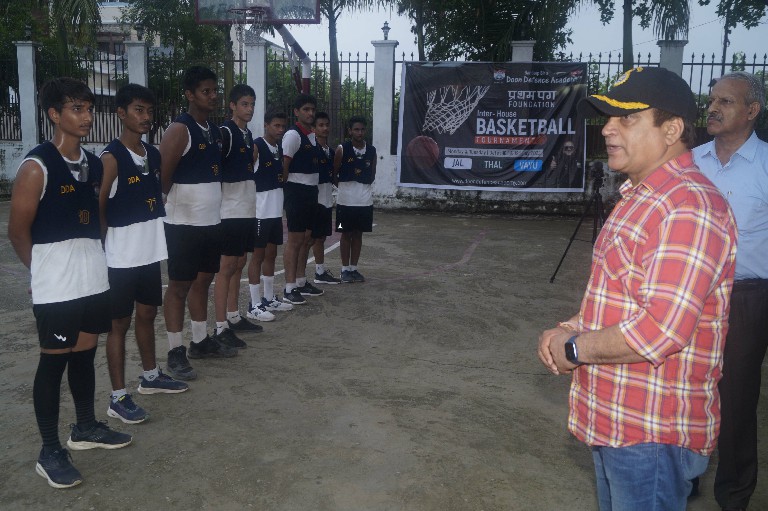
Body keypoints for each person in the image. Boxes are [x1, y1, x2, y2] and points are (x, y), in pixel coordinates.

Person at [536, 66, 737, 510]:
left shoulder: (688, 206)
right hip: (620, 421)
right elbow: (621, 296)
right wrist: (568, 328)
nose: (608, 128)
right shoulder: (643, 197)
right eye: (609, 117)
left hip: (651, 432)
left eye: (627, 118)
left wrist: (574, 348)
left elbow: (661, 330)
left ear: (672, 130)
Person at [8, 77, 132, 489]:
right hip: (57, 284)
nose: (86, 116)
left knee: (84, 355)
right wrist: (41, 272)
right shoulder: (36, 167)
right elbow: (17, 232)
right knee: (53, 362)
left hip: (92, 278)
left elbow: (97, 219)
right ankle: (49, 450)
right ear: (54, 114)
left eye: (89, 108)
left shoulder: (95, 165)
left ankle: (85, 427)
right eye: (76, 109)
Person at [692, 71, 768, 511]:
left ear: (752, 111)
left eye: (726, 101)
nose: (713, 108)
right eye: (712, 100)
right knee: (682, 386)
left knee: (736, 396)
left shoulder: (766, 165)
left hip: (745, 299)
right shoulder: (690, 163)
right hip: (688, 295)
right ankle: (683, 476)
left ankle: (735, 495)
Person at [99, 84, 188, 425]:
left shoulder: (153, 154)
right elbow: (99, 209)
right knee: (118, 324)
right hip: (120, 257)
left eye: (149, 111)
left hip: (149, 252)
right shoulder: (111, 158)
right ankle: (118, 396)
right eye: (139, 110)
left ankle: (150, 376)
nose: (146, 116)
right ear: (121, 113)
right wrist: (100, 252)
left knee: (148, 313)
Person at [161, 66, 237, 382]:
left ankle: (200, 341)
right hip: (183, 223)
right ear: (190, 95)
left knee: (203, 281)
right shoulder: (180, 130)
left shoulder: (214, 132)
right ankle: (175, 350)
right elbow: (163, 179)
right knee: (179, 286)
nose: (213, 96)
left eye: (214, 90)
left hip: (210, 222)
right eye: (206, 91)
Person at [213, 84, 264, 341]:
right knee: (226, 266)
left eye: (252, 104)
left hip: (246, 209)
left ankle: (233, 316)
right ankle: (220, 326)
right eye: (244, 104)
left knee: (240, 262)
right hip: (229, 210)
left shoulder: (247, 135)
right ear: (232, 105)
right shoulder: (225, 133)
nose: (250, 109)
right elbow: (215, 168)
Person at [247, 110, 294, 317]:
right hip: (260, 211)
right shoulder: (257, 146)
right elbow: (247, 176)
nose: (280, 130)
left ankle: (268, 298)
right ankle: (254, 304)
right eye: (276, 125)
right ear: (266, 125)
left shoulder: (279, 148)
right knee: (257, 256)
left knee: (271, 254)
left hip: (275, 211)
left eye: (283, 126)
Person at [281, 93, 325, 303]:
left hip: (310, 191)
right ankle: (289, 288)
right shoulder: (293, 135)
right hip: (296, 191)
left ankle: (300, 281)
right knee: (295, 240)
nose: (310, 113)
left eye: (312, 109)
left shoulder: (312, 136)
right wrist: (286, 192)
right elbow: (284, 166)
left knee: (307, 238)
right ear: (296, 112)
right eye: (306, 109)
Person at [333, 115, 376, 283]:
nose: (360, 132)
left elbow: (372, 175)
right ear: (350, 131)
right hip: (345, 202)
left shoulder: (371, 151)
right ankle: (344, 269)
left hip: (364, 202)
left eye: (362, 129)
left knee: (358, 235)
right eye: (356, 129)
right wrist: (345, 188)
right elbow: (334, 173)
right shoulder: (342, 149)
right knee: (346, 234)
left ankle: (354, 268)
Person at [311, 111, 341, 284]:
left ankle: (320, 272)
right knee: (310, 239)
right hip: (314, 200)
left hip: (326, 199)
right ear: (314, 128)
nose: (325, 128)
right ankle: (299, 279)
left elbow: (334, 176)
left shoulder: (331, 152)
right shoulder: (311, 150)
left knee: (321, 237)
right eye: (321, 125)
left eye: (327, 125)